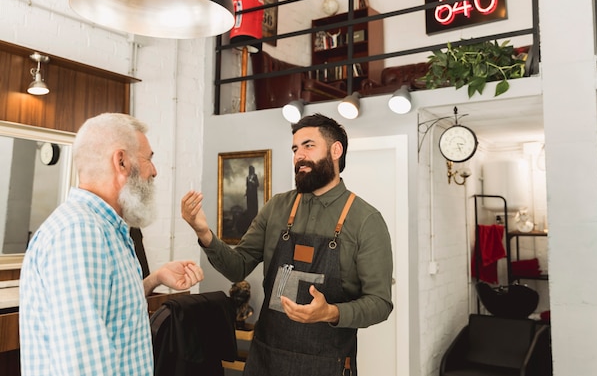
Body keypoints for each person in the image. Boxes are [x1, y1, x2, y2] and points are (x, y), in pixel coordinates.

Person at [182, 113, 393, 376]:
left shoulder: (366, 220)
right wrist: (204, 232)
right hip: (265, 358)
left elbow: (380, 303)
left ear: (336, 150)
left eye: (308, 146)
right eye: (295, 149)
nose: (298, 156)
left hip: (328, 364)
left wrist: (330, 312)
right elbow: (238, 267)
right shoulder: (277, 207)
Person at [20, 113, 204, 376]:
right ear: (121, 162)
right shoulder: (80, 233)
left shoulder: (104, 230)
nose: (154, 170)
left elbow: (109, 310)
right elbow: (83, 366)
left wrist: (154, 280)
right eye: (149, 158)